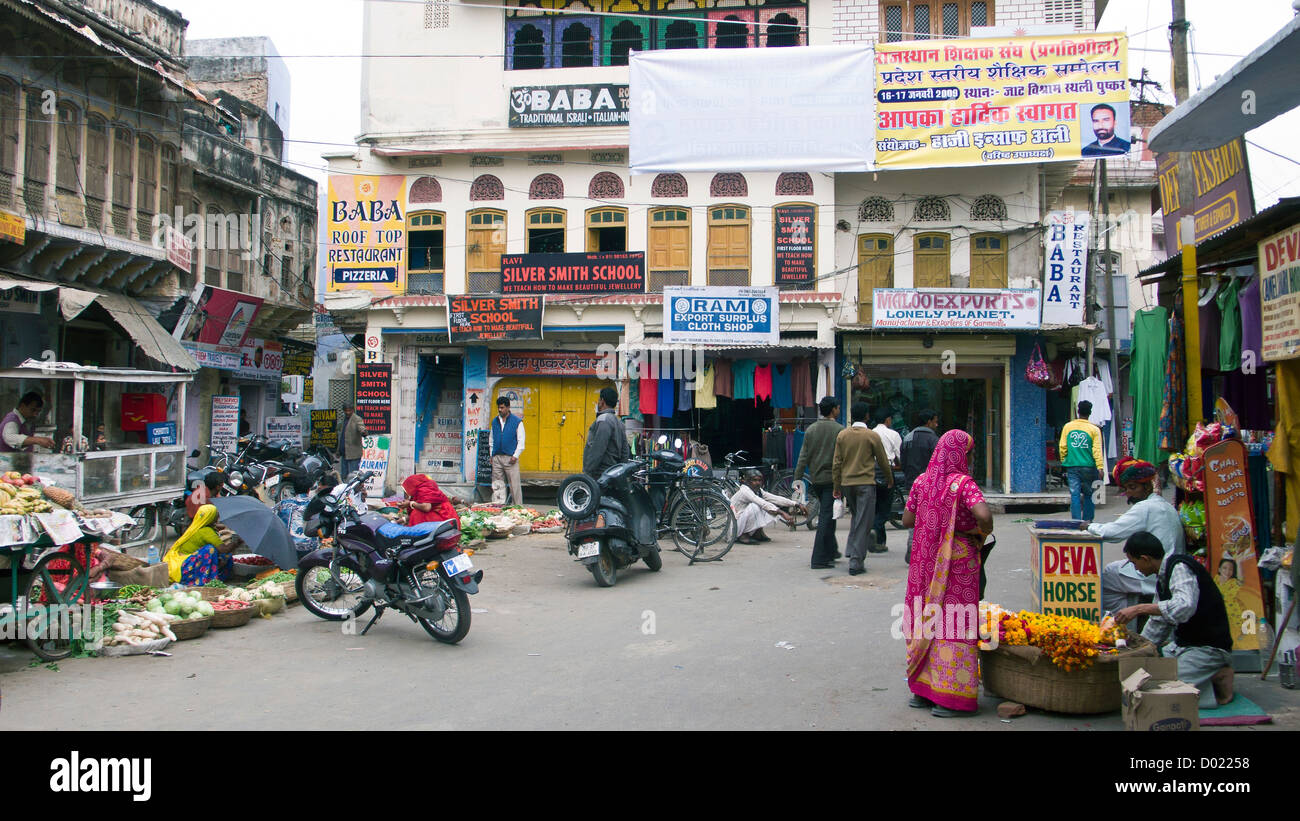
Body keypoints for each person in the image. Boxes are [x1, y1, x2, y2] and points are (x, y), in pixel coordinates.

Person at [901, 429, 994, 717]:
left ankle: (922, 691)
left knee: (927, 618)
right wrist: (979, 532)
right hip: (958, 562)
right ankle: (949, 698)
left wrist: (936, 520)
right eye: (969, 452)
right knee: (955, 621)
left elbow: (907, 520)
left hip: (925, 563)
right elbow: (985, 516)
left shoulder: (921, 481)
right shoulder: (963, 483)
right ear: (960, 454)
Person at [1114, 532, 1235, 709]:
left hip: (1208, 647)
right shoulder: (1162, 579)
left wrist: (1139, 608)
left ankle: (1218, 682)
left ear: (1145, 559)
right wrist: (1139, 649)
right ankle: (1207, 676)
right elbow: (1159, 621)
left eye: (1134, 563)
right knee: (1145, 675)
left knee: (1164, 689)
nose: (1136, 569)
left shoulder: (1179, 567)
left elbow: (1184, 606)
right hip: (1184, 646)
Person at [832, 401, 894, 576]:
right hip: (865, 483)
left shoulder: (842, 435)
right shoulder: (871, 436)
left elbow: (837, 463)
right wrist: (889, 479)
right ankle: (856, 562)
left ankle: (852, 550)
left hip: (847, 484)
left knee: (857, 518)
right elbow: (882, 460)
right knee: (864, 522)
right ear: (867, 415)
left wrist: (837, 486)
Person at [1087, 457, 1185, 554]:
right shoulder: (1164, 504)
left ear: (1147, 487)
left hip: (1162, 566)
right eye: (1126, 489)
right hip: (1173, 562)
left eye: (1132, 487)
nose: (1128, 493)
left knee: (1111, 568)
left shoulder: (1146, 507)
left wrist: (1088, 526)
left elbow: (1112, 533)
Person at [794, 396, 844, 569]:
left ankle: (831, 550)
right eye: (837, 407)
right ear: (833, 410)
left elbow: (803, 457)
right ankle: (819, 559)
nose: (839, 410)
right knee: (826, 517)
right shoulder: (840, 430)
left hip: (816, 479)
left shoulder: (811, 430)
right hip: (832, 480)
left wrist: (797, 480)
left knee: (830, 515)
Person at [900, 409, 939, 564]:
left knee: (913, 515)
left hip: (911, 483)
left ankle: (912, 543)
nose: (936, 424)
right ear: (928, 422)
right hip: (931, 483)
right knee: (931, 517)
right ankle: (927, 550)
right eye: (935, 421)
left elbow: (902, 461)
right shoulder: (934, 440)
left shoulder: (908, 437)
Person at [163, 503, 234, 585]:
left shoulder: (196, 527)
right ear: (211, 517)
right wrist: (237, 542)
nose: (218, 518)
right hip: (185, 568)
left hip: (185, 563)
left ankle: (216, 577)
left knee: (225, 555)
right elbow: (224, 549)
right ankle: (204, 581)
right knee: (210, 549)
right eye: (216, 516)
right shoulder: (206, 531)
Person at [730, 468, 805, 545]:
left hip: (739, 522)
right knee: (756, 506)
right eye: (754, 480)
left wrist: (796, 504)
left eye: (759, 480)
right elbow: (762, 503)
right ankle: (743, 536)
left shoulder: (758, 491)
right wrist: (782, 513)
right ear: (747, 481)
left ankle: (757, 533)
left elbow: (775, 498)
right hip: (734, 526)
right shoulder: (745, 491)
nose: (758, 483)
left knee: (769, 506)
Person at [1059, 400, 1105, 522]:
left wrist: (1065, 460)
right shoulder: (1094, 429)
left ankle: (1076, 522)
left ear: (1077, 412)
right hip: (1089, 466)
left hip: (1072, 466)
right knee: (1089, 494)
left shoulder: (1068, 427)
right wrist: (1100, 467)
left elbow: (1062, 447)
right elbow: (1097, 450)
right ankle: (1088, 521)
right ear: (1090, 413)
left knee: (1074, 494)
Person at [583, 386, 630, 479]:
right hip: (614, 472)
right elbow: (625, 450)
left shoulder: (603, 420)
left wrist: (587, 472)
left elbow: (598, 448)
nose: (598, 402)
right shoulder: (619, 423)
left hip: (600, 473)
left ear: (602, 401)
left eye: (599, 400)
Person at [871, 407, 902, 549]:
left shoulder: (870, 433)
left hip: (870, 471)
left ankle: (879, 541)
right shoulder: (893, 434)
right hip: (886, 471)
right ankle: (875, 530)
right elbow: (899, 455)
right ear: (887, 420)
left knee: (875, 505)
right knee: (885, 508)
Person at [490, 396, 525, 505]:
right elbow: (491, 439)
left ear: (508, 407)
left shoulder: (517, 422)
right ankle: (498, 507)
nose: (500, 410)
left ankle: (518, 509)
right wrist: (491, 455)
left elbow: (521, 441)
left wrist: (516, 455)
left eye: (502, 407)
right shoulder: (495, 421)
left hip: (511, 458)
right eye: (499, 408)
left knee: (514, 485)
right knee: (498, 485)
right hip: (497, 458)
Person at [339, 403, 366, 479]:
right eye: (346, 411)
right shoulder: (344, 419)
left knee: (353, 477)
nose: (347, 412)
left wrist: (363, 431)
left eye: (349, 411)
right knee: (344, 476)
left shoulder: (357, 419)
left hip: (353, 454)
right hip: (344, 453)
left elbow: (361, 427)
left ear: (353, 410)